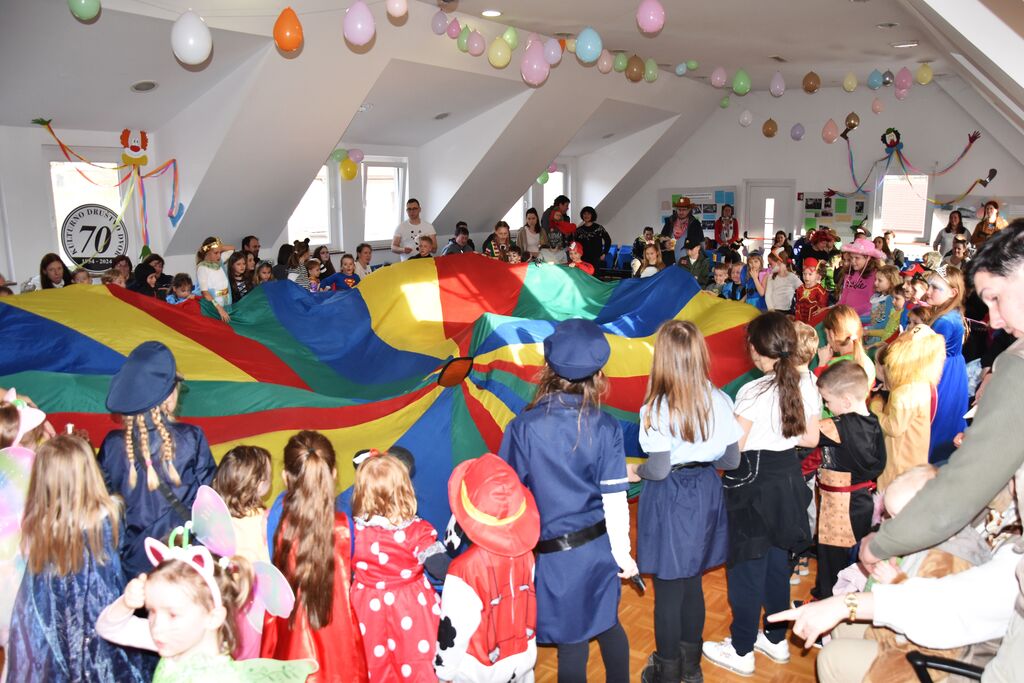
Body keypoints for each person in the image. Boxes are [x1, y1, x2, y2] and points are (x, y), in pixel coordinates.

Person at [857, 223, 1024, 681]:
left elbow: (966, 485)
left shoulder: (1018, 364)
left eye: (995, 297)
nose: (992, 320)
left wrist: (882, 543)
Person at [499, 319, 637, 683]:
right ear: (599, 374)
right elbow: (615, 500)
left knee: (572, 643)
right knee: (608, 624)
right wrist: (622, 555)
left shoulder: (523, 428)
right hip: (598, 552)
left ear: (548, 366)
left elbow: (508, 498)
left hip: (553, 559)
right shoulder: (606, 426)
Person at [703, 312, 821, 677]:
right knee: (775, 564)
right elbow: (810, 439)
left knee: (745, 569)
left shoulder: (753, 391)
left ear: (755, 349)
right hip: (786, 478)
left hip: (751, 482)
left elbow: (732, 453)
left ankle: (741, 650)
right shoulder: (807, 383)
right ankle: (774, 637)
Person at [626, 321, 741, 683]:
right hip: (706, 491)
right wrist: (701, 456)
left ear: (661, 358)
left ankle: (667, 670)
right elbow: (731, 460)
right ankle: (691, 669)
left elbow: (659, 469)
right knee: (692, 583)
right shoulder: (721, 399)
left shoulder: (658, 408)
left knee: (669, 591)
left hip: (671, 497)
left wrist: (636, 470)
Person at [6, 435, 153, 683]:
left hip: (51, 634)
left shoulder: (37, 526)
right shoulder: (108, 520)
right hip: (100, 627)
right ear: (90, 472)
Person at [96, 537, 315, 681]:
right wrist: (127, 603)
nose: (156, 626)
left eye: (172, 614)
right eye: (151, 611)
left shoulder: (220, 677)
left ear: (213, 617)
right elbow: (108, 628)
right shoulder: (174, 640)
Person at [97, 342, 217, 580]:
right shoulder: (191, 438)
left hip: (133, 567)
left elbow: (103, 508)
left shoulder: (111, 445)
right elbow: (211, 502)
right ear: (169, 396)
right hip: (183, 561)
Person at [261, 431, 368, 681]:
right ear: (333, 474)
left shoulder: (276, 516)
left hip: (289, 629)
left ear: (285, 477)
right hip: (336, 629)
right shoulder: (345, 526)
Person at [434, 454, 540, 683]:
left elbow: (453, 631)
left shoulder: (464, 570)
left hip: (478, 672)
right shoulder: (527, 555)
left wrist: (444, 673)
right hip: (522, 660)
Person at [350, 453, 444, 682]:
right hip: (410, 607)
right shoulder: (416, 531)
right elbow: (440, 567)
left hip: (365, 609)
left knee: (371, 661)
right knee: (416, 660)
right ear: (404, 489)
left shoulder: (353, 532)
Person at [812, 362, 886, 600]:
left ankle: (827, 601)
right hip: (861, 501)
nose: (826, 406)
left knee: (831, 559)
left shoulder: (837, 426)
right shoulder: (873, 421)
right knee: (854, 557)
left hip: (838, 507)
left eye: (827, 400)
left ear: (845, 401)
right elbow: (880, 463)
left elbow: (804, 435)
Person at [869, 325, 945, 489]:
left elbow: (893, 427)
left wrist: (876, 408)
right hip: (912, 460)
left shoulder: (907, 391)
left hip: (899, 463)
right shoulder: (920, 382)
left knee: (890, 496)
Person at [923, 266, 969, 461]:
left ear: (953, 292)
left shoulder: (945, 321)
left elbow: (929, 354)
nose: (928, 291)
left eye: (935, 288)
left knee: (938, 418)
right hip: (952, 369)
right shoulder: (949, 313)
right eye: (929, 286)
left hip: (942, 371)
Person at [818, 305, 876, 388]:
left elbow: (819, 390)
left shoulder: (834, 366)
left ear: (832, 334)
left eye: (826, 333)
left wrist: (822, 364)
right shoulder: (868, 361)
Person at [838, 237, 883, 320]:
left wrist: (851, 312)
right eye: (851, 257)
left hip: (863, 319)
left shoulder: (875, 275)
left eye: (857, 258)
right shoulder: (849, 273)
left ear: (868, 258)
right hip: (847, 316)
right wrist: (837, 309)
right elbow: (844, 296)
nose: (853, 261)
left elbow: (872, 303)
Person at [864, 264, 904, 347]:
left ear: (891, 282)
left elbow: (886, 324)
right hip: (875, 334)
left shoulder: (890, 299)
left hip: (879, 337)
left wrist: (868, 329)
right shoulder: (880, 297)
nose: (875, 283)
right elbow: (874, 317)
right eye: (875, 279)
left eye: (880, 280)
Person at [196, 237, 233, 323]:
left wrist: (220, 247)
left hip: (226, 303)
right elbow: (205, 293)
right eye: (216, 253)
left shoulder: (219, 262)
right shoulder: (202, 268)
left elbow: (232, 249)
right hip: (215, 307)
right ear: (207, 253)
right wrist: (220, 309)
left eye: (220, 252)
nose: (219, 256)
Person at [573, 206, 611, 272]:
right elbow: (575, 244)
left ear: (592, 215)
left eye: (588, 214)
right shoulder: (578, 230)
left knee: (595, 276)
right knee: (584, 276)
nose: (586, 216)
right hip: (583, 258)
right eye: (584, 214)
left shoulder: (599, 228)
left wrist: (604, 253)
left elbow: (608, 240)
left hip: (596, 258)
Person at [795, 258, 829, 325]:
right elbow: (797, 307)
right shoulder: (800, 289)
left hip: (814, 325)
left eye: (810, 274)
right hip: (800, 323)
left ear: (817, 275)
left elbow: (822, 311)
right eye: (804, 274)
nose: (806, 277)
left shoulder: (820, 291)